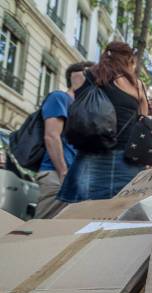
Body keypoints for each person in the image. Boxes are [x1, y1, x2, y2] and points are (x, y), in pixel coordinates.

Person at [58, 41, 150, 203]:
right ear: (129, 60)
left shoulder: (85, 76)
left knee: (79, 218)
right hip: (126, 161)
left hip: (90, 157)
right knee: (120, 217)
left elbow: (75, 105)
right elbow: (143, 118)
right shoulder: (138, 85)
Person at [35, 61, 94, 218]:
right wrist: (63, 173)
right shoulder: (59, 97)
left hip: (72, 179)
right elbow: (51, 136)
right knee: (42, 229)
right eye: (90, 75)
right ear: (77, 77)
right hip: (57, 175)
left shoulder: (81, 107)